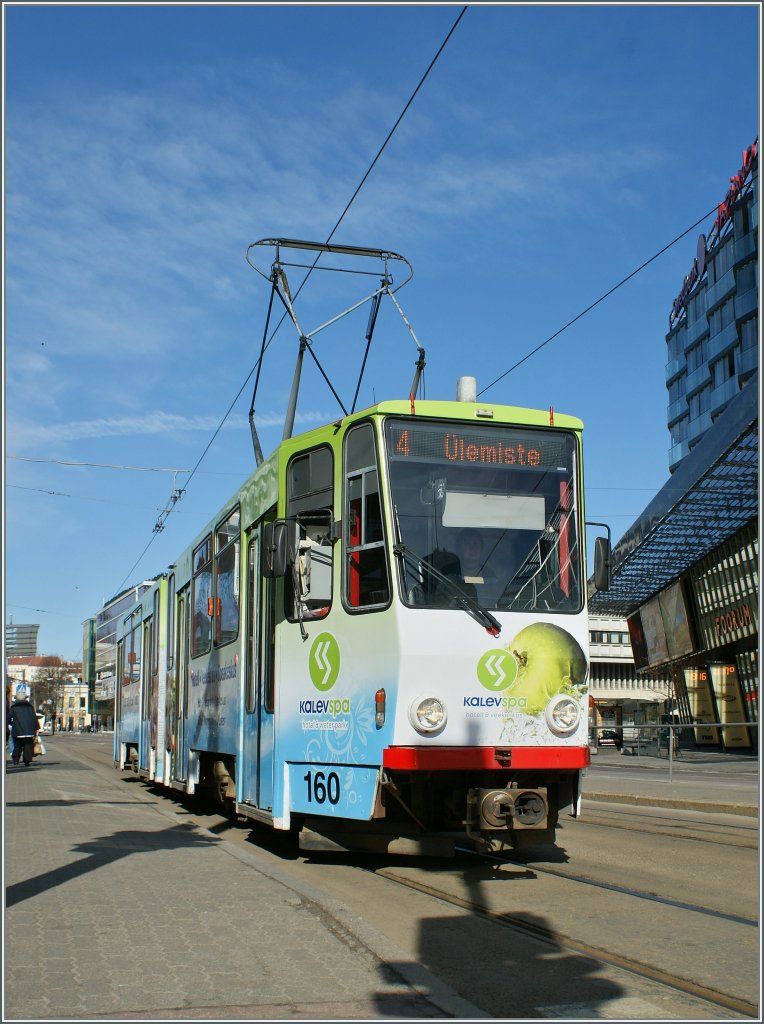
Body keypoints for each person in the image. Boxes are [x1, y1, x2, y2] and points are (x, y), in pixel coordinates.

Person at [8, 687, 40, 768]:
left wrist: (10, 723)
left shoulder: (14, 707)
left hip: (18, 730)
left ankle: (15, 760)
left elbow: (9, 717)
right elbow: (34, 718)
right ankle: (27, 761)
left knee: (17, 745)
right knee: (28, 746)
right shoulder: (30, 707)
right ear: (25, 698)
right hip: (29, 730)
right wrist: (37, 728)